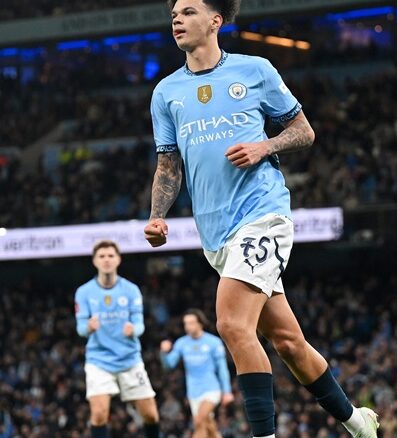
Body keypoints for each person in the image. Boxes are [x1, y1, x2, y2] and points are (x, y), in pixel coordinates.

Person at [144, 1, 379, 436]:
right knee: (288, 343)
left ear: (215, 21)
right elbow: (168, 165)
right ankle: (357, 421)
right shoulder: (165, 92)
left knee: (232, 324)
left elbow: (304, 131)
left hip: (262, 215)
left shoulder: (255, 70)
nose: (177, 19)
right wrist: (158, 216)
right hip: (215, 234)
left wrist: (264, 146)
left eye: (188, 11)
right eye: (174, 13)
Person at [75, 240, 160, 438]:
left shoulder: (131, 290)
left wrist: (133, 330)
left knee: (150, 415)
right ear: (94, 261)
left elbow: (140, 325)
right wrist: (88, 327)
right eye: (102, 256)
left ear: (118, 259)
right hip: (99, 360)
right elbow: (80, 329)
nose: (106, 260)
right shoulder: (84, 292)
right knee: (99, 414)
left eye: (110, 256)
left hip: (129, 359)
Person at [160, 309, 233, 438]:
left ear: (200, 323)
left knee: (199, 421)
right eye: (185, 323)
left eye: (191, 323)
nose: (188, 326)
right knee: (208, 426)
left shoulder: (214, 342)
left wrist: (227, 391)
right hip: (193, 392)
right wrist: (164, 353)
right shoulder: (181, 343)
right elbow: (169, 365)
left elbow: (222, 368)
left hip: (211, 389)